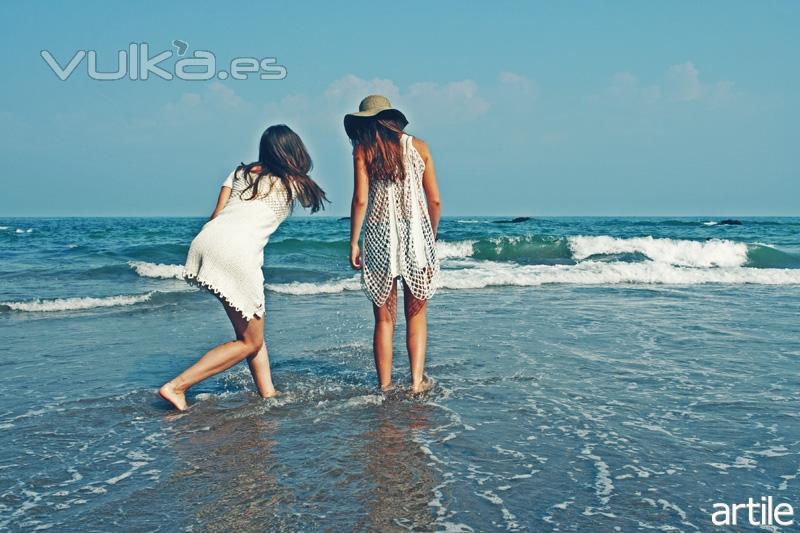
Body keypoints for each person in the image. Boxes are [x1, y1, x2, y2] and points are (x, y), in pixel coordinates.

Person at [159, 125, 328, 411]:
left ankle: (268, 394)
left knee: (251, 331)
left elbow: (217, 214)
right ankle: (177, 387)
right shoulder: (294, 182)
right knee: (250, 340)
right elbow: (314, 198)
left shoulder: (238, 173)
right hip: (237, 253)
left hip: (207, 240)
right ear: (295, 151)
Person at [345, 95, 442, 393]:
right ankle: (416, 383)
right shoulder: (419, 146)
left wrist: (353, 241)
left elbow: (361, 199)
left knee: (384, 319)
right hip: (416, 236)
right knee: (417, 313)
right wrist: (431, 234)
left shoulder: (364, 150)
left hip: (378, 237)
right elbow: (435, 200)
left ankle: (385, 386)